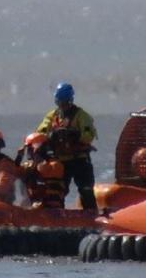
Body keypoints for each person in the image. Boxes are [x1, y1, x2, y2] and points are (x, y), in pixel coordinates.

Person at [37, 82, 98, 211]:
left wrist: (74, 134)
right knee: (57, 191)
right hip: (61, 162)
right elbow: (40, 133)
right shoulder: (52, 116)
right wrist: (52, 135)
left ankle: (91, 214)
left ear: (70, 100)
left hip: (79, 159)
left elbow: (89, 135)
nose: (62, 105)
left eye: (65, 102)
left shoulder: (81, 116)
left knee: (86, 189)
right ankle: (57, 215)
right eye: (59, 102)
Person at [19, 132, 65, 208]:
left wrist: (38, 163)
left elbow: (46, 173)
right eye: (29, 148)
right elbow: (15, 171)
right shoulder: (29, 165)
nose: (29, 151)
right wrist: (19, 157)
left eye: (31, 148)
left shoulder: (55, 165)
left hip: (51, 206)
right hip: (32, 204)